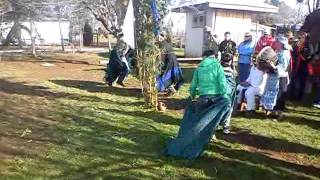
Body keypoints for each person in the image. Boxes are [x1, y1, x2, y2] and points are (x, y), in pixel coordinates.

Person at [165, 49, 232, 159]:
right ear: (213, 57)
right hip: (215, 99)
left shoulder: (200, 67)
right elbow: (222, 83)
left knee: (200, 121)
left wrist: (192, 96)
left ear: (204, 57)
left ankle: (194, 139)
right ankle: (204, 139)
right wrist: (224, 96)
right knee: (211, 121)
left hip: (203, 99)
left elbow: (193, 85)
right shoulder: (217, 66)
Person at [273, 36, 291, 112]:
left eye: (277, 42)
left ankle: (279, 108)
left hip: (282, 75)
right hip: (278, 74)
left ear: (281, 44)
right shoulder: (278, 51)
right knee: (278, 91)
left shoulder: (284, 53)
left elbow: (284, 66)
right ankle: (277, 106)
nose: (276, 43)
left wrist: (273, 66)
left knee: (281, 91)